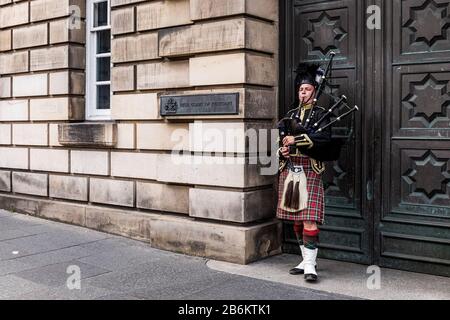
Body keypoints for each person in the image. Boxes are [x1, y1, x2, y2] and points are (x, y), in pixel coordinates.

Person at [276, 63, 332, 282]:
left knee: (309, 220)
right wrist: (283, 150)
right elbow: (281, 143)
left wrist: (297, 139)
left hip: (310, 168)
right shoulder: (290, 115)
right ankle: (305, 259)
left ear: (314, 92)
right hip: (291, 170)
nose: (303, 93)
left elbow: (324, 141)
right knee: (297, 221)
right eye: (301, 89)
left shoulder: (322, 115)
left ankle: (310, 265)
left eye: (307, 89)